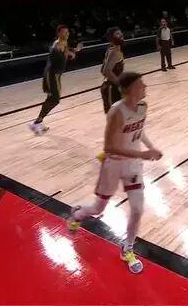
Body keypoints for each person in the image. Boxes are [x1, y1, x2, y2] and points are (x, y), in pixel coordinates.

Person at [67, 72, 162, 274]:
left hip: (133, 166)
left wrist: (151, 148)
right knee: (98, 208)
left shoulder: (143, 107)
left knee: (137, 209)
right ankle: (77, 214)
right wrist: (143, 154)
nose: (145, 86)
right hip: (114, 164)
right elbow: (109, 147)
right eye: (140, 84)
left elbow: (139, 130)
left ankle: (128, 249)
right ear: (129, 90)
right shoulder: (116, 111)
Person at [29, 25, 83, 134]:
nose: (67, 34)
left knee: (52, 98)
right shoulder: (57, 44)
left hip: (56, 75)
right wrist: (72, 52)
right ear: (58, 33)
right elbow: (61, 50)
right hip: (52, 75)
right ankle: (36, 123)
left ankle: (37, 122)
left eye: (67, 32)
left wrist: (74, 51)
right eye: (64, 32)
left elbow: (65, 50)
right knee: (55, 99)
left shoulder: (64, 43)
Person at [100, 27, 125, 113]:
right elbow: (106, 71)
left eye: (120, 33)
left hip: (110, 86)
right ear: (111, 37)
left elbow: (102, 70)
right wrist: (120, 85)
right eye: (117, 34)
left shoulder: (112, 49)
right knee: (116, 116)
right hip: (112, 88)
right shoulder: (114, 52)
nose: (121, 35)